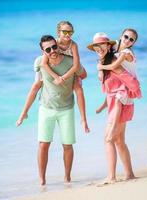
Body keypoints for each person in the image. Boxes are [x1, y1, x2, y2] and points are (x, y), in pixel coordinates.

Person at [16, 35, 87, 185]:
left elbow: (82, 80)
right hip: (46, 108)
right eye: (48, 49)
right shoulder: (39, 63)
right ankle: (42, 180)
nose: (52, 51)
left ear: (57, 45)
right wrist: (24, 113)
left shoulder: (70, 61)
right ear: (43, 51)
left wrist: (83, 118)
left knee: (67, 145)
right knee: (43, 144)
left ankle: (67, 178)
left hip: (66, 109)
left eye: (54, 47)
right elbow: (35, 87)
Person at [87, 32, 141, 184]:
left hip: (121, 104)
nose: (99, 48)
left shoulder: (114, 62)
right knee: (119, 140)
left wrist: (114, 122)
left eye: (102, 44)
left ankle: (111, 177)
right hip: (119, 104)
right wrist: (103, 106)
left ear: (109, 45)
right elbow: (112, 88)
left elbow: (121, 91)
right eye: (96, 46)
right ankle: (129, 174)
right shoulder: (106, 61)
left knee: (109, 138)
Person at [41, 21, 90, 133]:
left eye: (70, 32)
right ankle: (83, 120)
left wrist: (63, 77)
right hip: (63, 67)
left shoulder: (73, 45)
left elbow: (76, 65)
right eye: (65, 32)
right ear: (58, 33)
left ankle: (83, 119)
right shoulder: (54, 44)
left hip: (72, 67)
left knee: (82, 80)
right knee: (78, 88)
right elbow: (44, 63)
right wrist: (56, 76)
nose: (68, 35)